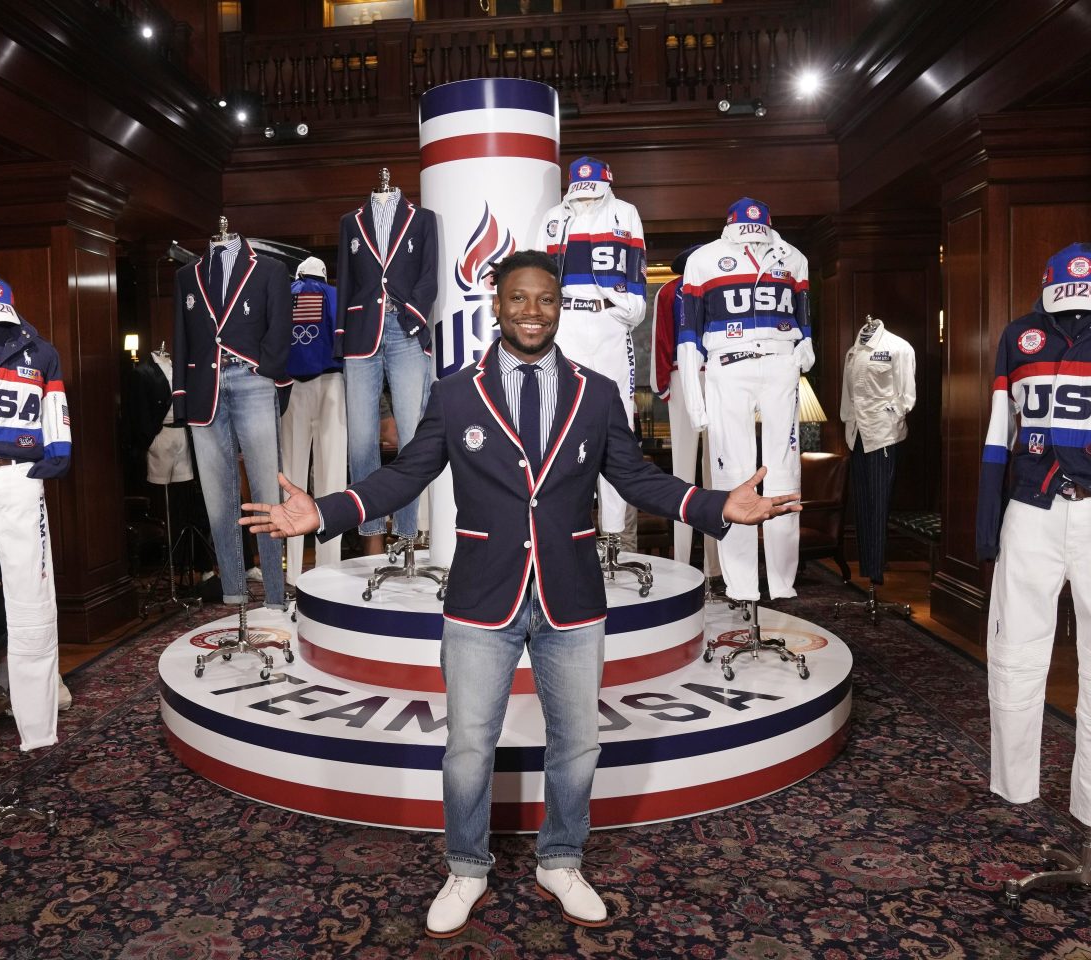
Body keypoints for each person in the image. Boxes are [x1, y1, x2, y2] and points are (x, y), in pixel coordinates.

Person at [241, 250, 799, 938]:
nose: (533, 312)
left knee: (579, 743)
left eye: (546, 300)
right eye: (519, 299)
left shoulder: (597, 393)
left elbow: (637, 477)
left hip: (571, 594)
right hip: (483, 595)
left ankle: (561, 859)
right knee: (469, 746)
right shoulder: (455, 392)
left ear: (558, 307)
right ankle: (466, 867)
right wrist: (323, 512)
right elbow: (405, 476)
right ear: (496, 304)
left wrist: (716, 506)